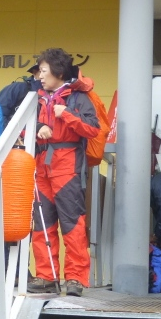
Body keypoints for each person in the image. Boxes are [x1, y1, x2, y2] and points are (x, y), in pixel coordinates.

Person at [28, 48, 101, 297]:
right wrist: (38, 126)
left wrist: (66, 115)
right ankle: (46, 276)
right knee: (42, 224)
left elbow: (93, 129)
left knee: (72, 225)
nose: (39, 75)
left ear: (58, 72)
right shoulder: (35, 97)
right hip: (41, 167)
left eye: (44, 70)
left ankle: (75, 278)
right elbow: (20, 126)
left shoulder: (78, 97)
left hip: (68, 167)